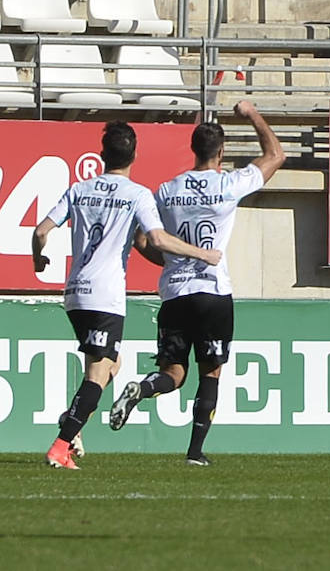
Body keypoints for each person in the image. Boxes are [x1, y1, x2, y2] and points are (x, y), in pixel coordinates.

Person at [30, 122, 223, 470]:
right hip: (105, 296)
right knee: (98, 373)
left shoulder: (78, 189)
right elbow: (159, 239)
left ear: (103, 156)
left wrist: (38, 257)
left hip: (74, 293)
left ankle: (74, 419)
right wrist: (201, 254)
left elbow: (41, 230)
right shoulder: (136, 194)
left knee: (108, 367)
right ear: (135, 155)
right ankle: (62, 444)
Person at [108, 101, 285, 466]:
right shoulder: (229, 183)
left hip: (175, 292)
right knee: (211, 371)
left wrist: (171, 259)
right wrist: (252, 114)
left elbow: (144, 239)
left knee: (172, 372)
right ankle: (194, 452)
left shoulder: (167, 190)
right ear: (220, 152)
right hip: (212, 290)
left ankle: (142, 388)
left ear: (192, 149)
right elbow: (275, 154)